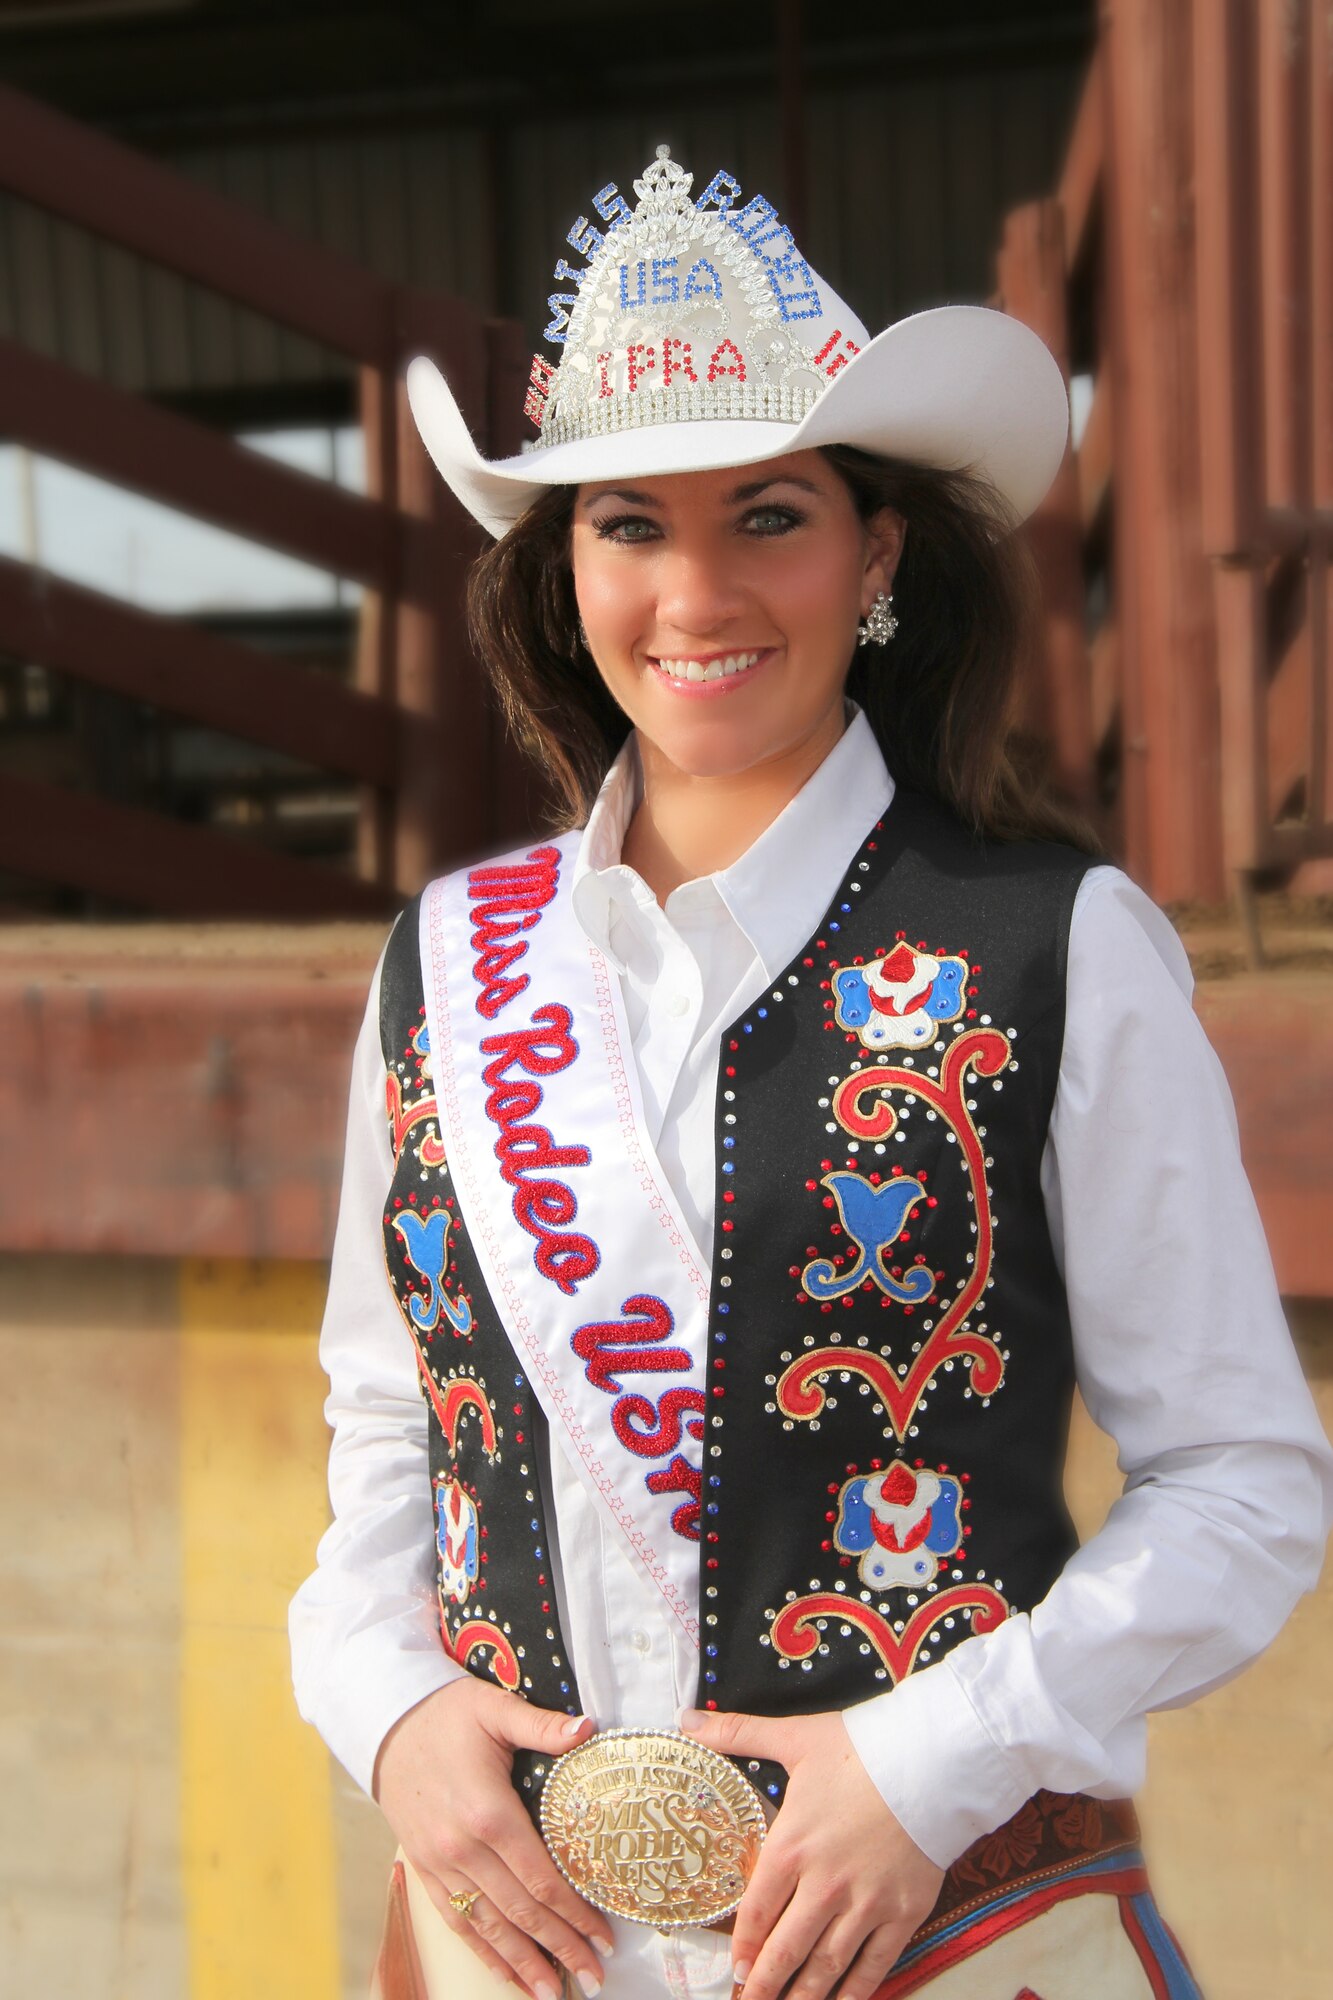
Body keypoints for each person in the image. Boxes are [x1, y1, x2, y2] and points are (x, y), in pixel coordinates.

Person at [290, 147, 1332, 2000]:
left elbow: (1244, 1487)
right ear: (564, 562)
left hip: (941, 1932)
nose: (693, 592)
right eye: (628, 524)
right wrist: (389, 1716)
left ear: (879, 553)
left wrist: (923, 1763)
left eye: (765, 514)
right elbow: (392, 1433)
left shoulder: (1055, 942)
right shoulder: (445, 968)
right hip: (511, 1942)